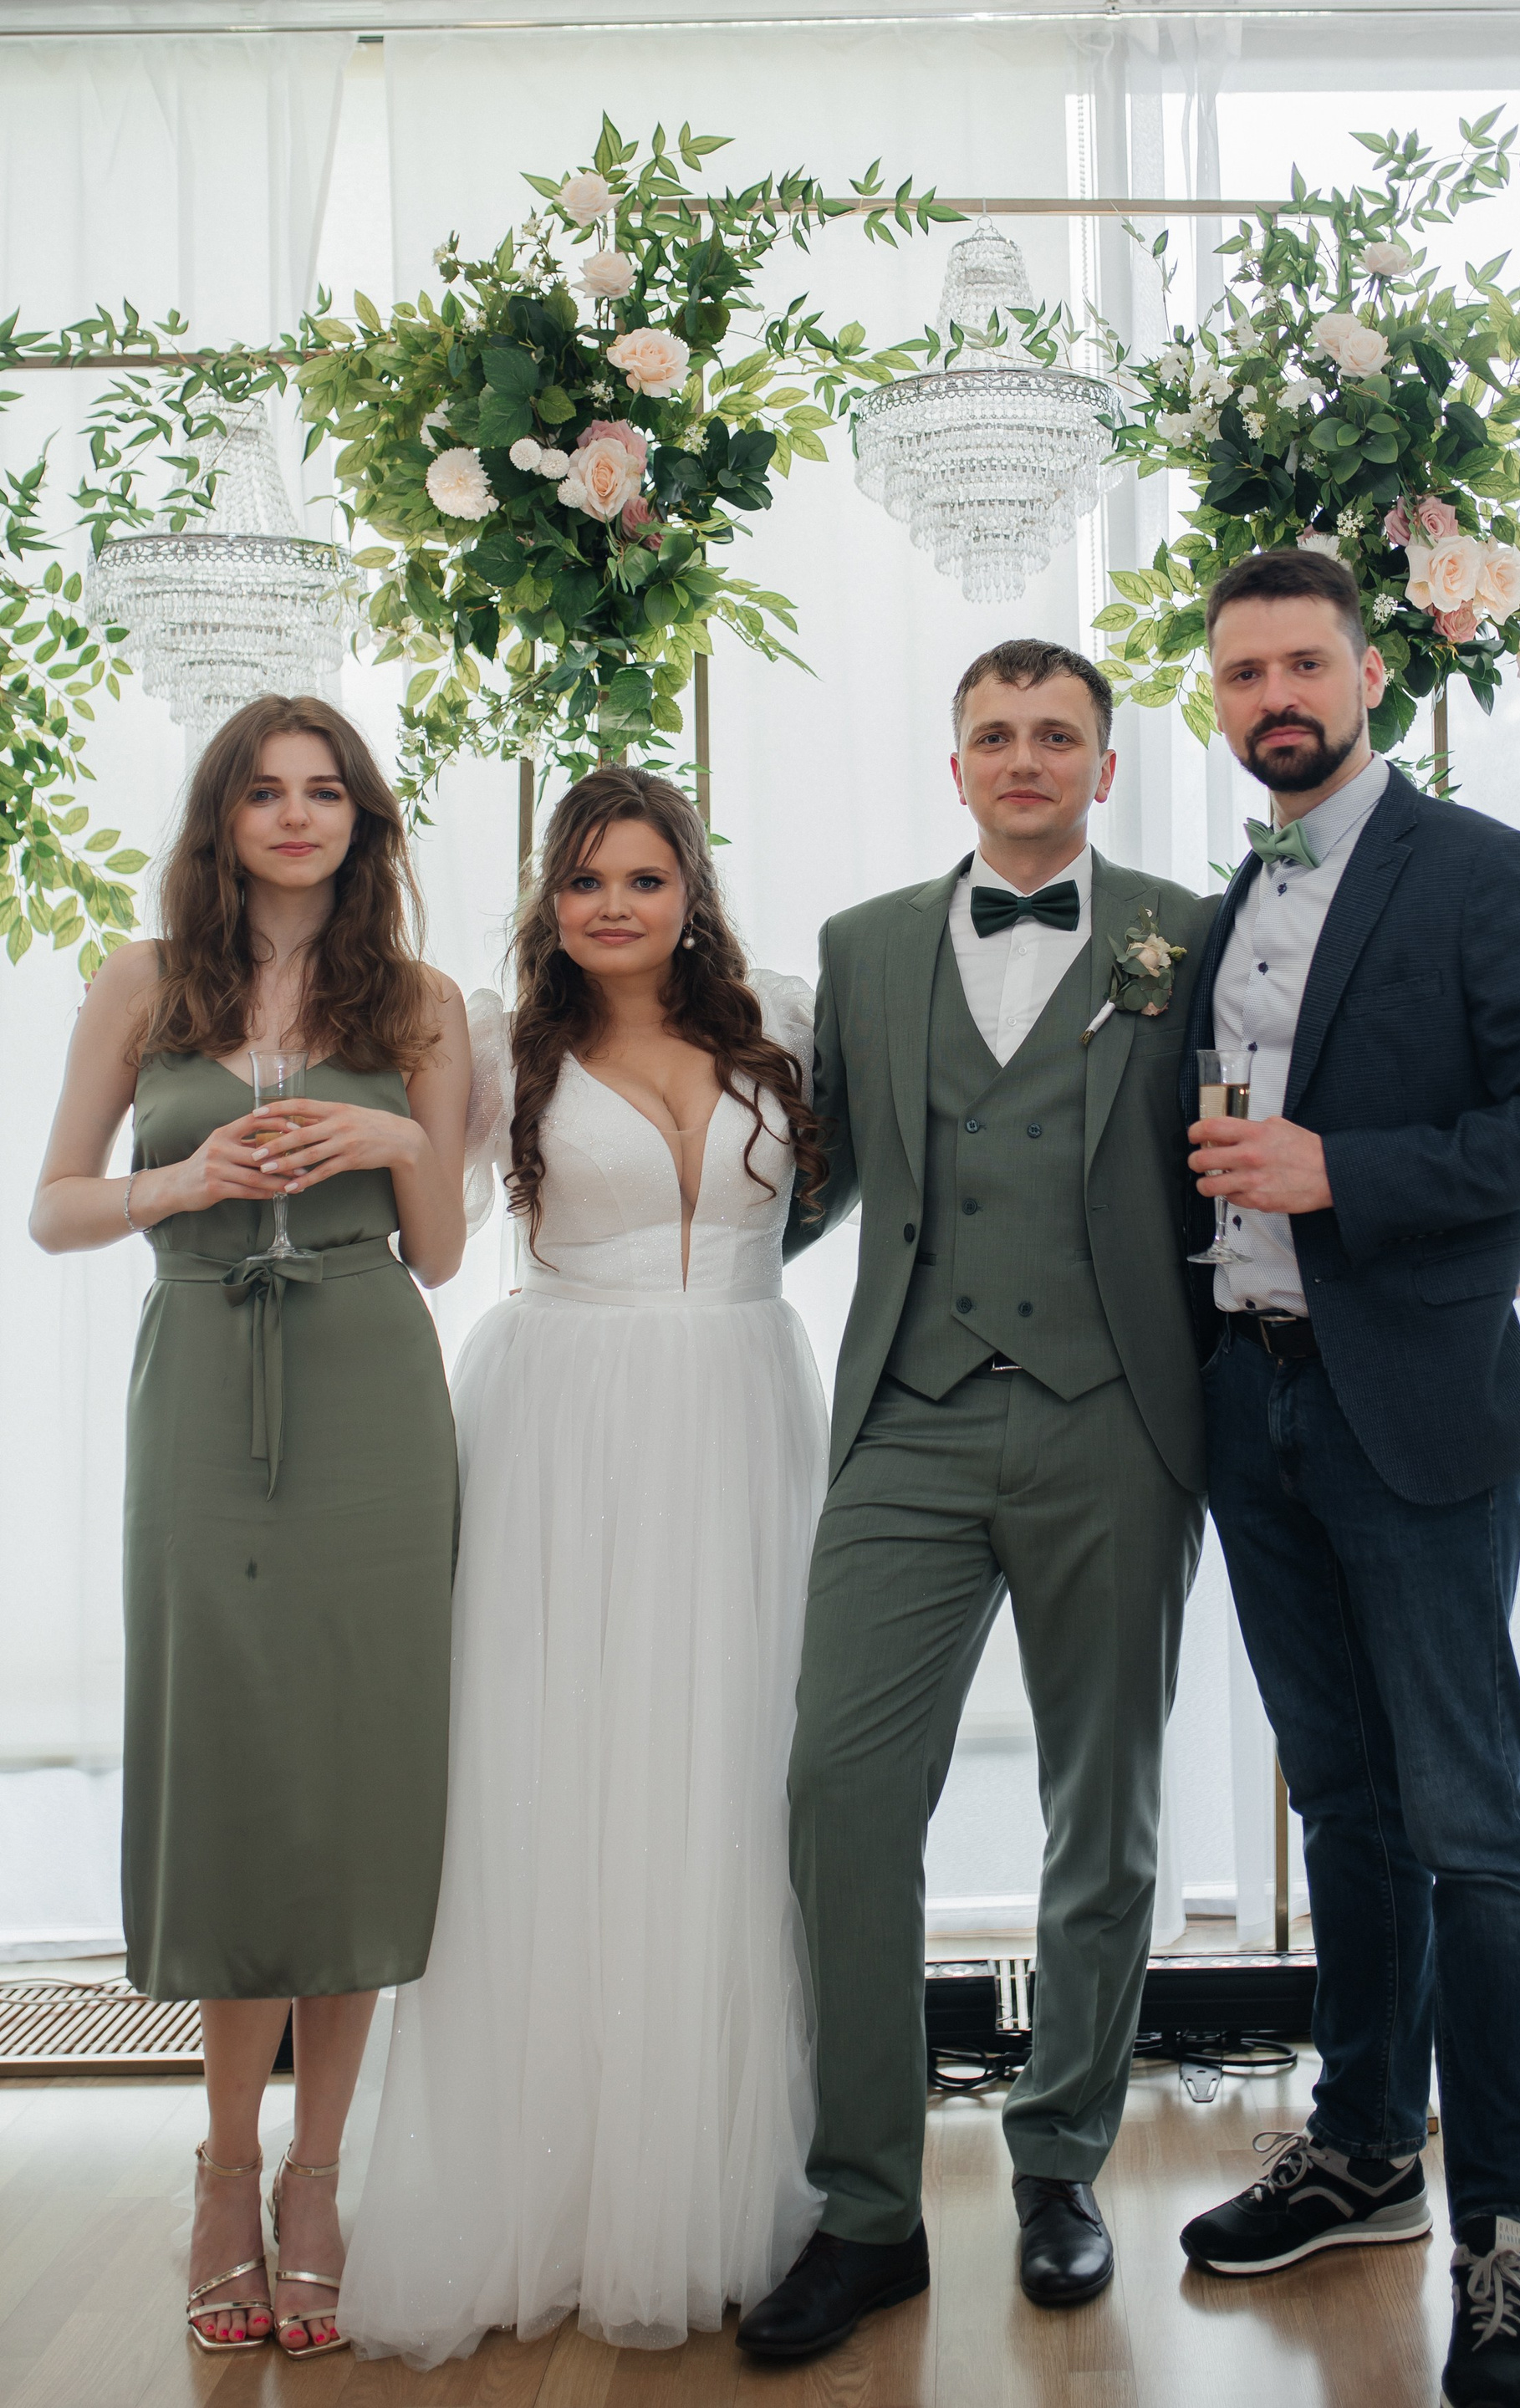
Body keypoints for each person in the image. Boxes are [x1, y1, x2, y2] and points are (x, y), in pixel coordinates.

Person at [736, 640, 1216, 2361]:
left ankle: (1062, 2162)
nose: (1024, 759)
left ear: (1103, 765)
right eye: (994, 736)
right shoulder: (864, 948)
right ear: (955, 768)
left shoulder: (1187, 931)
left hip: (1118, 1420)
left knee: (1108, 1811)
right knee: (840, 1794)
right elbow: (808, 1181)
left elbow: (1248, 1133)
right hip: (910, 1427)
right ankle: (867, 2208)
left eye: (1055, 735)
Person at [1177, 546, 1520, 2408]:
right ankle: (1365, 2150)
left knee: (1473, 1824)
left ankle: (1504, 2231)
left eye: (1303, 664)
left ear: (1367, 677)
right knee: (1343, 1805)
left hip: (1414, 1411)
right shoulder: (1224, 902)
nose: (1274, 695)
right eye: (1242, 672)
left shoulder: (1480, 869)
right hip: (1250, 1403)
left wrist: (1348, 1172)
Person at [339, 765, 829, 2362]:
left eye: (643, 878)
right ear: (549, 902)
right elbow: (429, 1237)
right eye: (584, 881)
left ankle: (710, 2182)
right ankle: (546, 2187)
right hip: (564, 1426)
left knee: (727, 1773)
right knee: (562, 1777)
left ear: (692, 893)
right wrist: (370, 1126)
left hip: (744, 1408)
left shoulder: (788, 1024)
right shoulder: (501, 1050)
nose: (612, 907)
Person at [29, 695, 467, 2357]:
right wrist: (183, 1183)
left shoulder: (417, 1003)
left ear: (363, 820)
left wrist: (398, 1132)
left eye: (326, 791)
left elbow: (441, 1252)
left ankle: (318, 2176)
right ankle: (222, 2165)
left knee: (352, 1778)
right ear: (221, 818)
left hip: (370, 1391)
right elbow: (55, 1206)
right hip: (203, 1385)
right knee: (230, 1766)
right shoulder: (143, 984)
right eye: (264, 791)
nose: (297, 815)